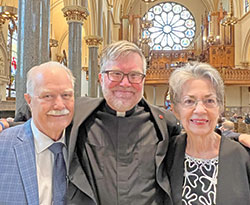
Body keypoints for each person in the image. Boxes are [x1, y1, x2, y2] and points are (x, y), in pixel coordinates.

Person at [66, 40, 181, 204]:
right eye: (116, 74)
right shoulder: (77, 115)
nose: (125, 83)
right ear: (101, 78)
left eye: (134, 75)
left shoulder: (165, 124)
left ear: (143, 80)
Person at [166, 62, 250, 205]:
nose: (200, 110)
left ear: (220, 107)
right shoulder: (166, 153)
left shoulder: (243, 155)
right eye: (189, 101)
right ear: (175, 110)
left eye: (209, 100)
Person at [0, 61, 75, 204]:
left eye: (66, 95)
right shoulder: (3, 145)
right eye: (47, 96)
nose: (59, 105)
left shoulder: (84, 145)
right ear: (29, 100)